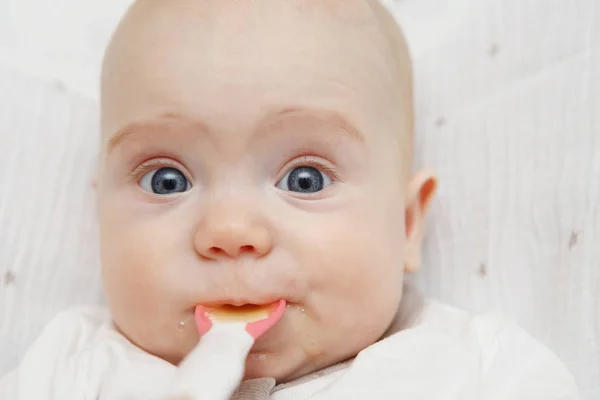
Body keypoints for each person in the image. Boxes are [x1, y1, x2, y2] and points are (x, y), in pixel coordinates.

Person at [0, 0, 580, 398]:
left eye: (305, 179)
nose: (228, 230)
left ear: (405, 225)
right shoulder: (67, 371)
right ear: (99, 215)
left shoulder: (472, 368)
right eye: (166, 181)